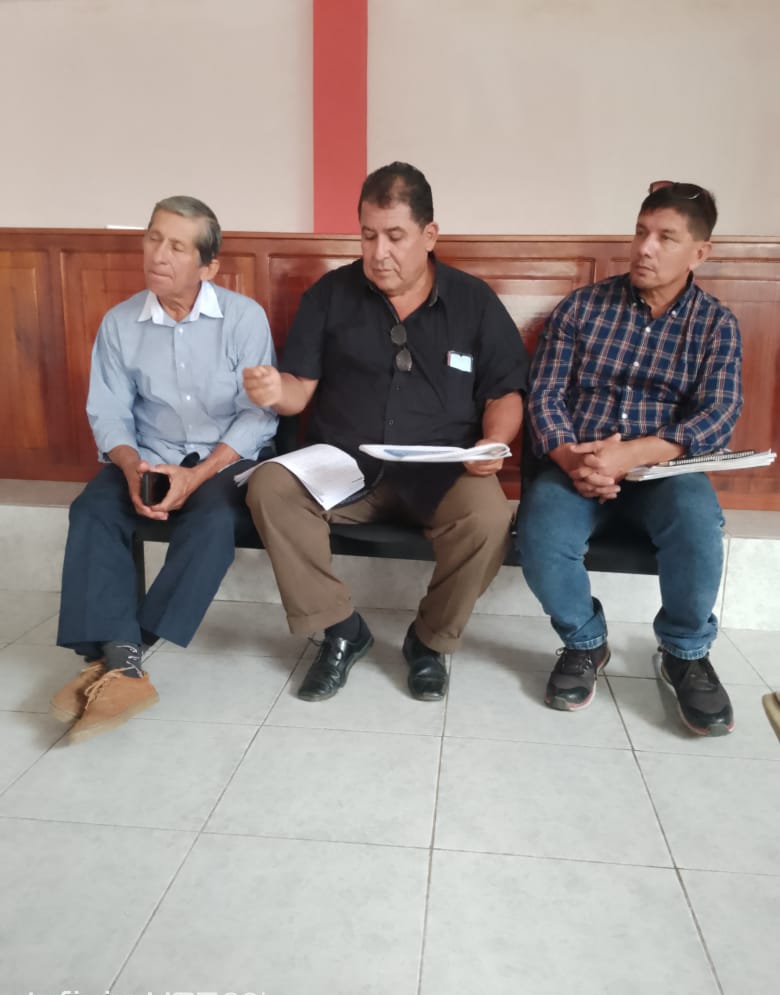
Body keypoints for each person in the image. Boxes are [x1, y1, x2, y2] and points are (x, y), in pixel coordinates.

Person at [243, 162, 528, 702]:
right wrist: (274, 390)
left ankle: (429, 641)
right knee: (269, 487)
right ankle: (341, 630)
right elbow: (299, 390)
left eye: (395, 236)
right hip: (345, 466)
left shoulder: (473, 301)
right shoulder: (329, 295)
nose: (379, 252)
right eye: (368, 235)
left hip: (442, 470)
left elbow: (505, 392)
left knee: (490, 519)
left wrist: (492, 442)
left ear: (429, 234)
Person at [516, 181, 742, 736]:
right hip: (578, 463)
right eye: (641, 232)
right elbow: (545, 395)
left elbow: (719, 415)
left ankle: (684, 653)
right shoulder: (583, 307)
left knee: (698, 523)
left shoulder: (715, 324)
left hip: (662, 469)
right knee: (539, 531)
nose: (645, 248)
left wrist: (634, 455)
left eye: (666, 237)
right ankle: (584, 642)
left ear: (699, 252)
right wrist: (576, 462)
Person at [52, 196, 278, 742]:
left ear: (208, 267)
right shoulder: (119, 322)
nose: (158, 254)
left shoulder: (243, 318)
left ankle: (125, 650)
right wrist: (131, 467)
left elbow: (258, 415)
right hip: (148, 455)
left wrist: (197, 476)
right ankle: (124, 664)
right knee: (92, 510)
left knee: (214, 522)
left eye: (177, 246)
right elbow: (108, 412)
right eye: (154, 238)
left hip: (223, 459)